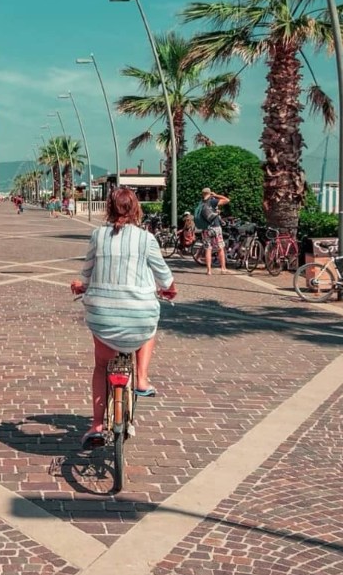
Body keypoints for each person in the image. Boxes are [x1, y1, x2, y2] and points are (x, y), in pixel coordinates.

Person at [71, 187, 176, 449]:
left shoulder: (98, 235)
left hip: (103, 316)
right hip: (138, 315)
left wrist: (82, 285)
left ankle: (96, 425)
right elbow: (164, 275)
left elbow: (87, 271)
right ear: (136, 209)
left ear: (109, 208)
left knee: (100, 366)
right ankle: (141, 378)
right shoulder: (146, 239)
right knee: (150, 325)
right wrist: (169, 289)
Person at [197, 187, 229, 275]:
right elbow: (227, 200)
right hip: (215, 227)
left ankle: (209, 271)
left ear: (202, 194)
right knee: (220, 248)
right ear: (210, 193)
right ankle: (223, 268)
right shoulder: (212, 201)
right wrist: (216, 195)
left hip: (205, 229)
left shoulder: (201, 203)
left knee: (208, 249)